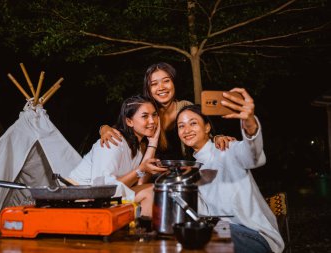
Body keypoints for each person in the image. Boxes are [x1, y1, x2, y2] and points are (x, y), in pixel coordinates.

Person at [175, 88, 284, 253]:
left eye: (193, 123)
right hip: (220, 234)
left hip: (255, 237)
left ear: (207, 127)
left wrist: (249, 122)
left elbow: (253, 155)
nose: (186, 130)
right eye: (181, 126)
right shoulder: (191, 170)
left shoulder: (227, 148)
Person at [99, 62, 235, 161]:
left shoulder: (186, 107)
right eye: (154, 84)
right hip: (150, 173)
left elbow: (203, 133)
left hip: (186, 171)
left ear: (174, 83)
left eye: (166, 81)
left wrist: (217, 137)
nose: (161, 87)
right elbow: (121, 128)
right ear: (148, 89)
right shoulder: (146, 112)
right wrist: (103, 129)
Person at [68, 95, 167, 217]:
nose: (152, 121)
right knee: (149, 191)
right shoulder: (113, 141)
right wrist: (141, 169)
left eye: (154, 115)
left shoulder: (137, 147)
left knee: (153, 189)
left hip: (104, 198)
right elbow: (102, 189)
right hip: (80, 199)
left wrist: (153, 142)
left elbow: (140, 182)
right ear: (129, 121)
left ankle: (142, 232)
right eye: (145, 116)